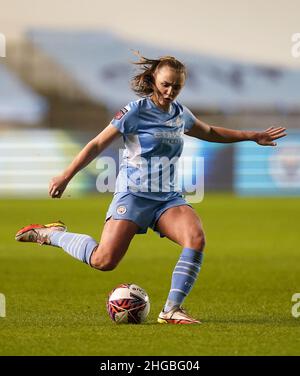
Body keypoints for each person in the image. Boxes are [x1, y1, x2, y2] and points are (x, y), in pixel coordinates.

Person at [15, 55, 286, 324]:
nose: (170, 92)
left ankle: (171, 309)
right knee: (104, 261)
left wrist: (252, 136)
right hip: (133, 195)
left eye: (176, 87)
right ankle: (53, 235)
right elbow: (97, 144)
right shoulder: (134, 111)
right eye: (166, 84)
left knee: (195, 238)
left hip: (167, 198)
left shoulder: (181, 114)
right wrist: (66, 175)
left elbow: (211, 132)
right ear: (154, 79)